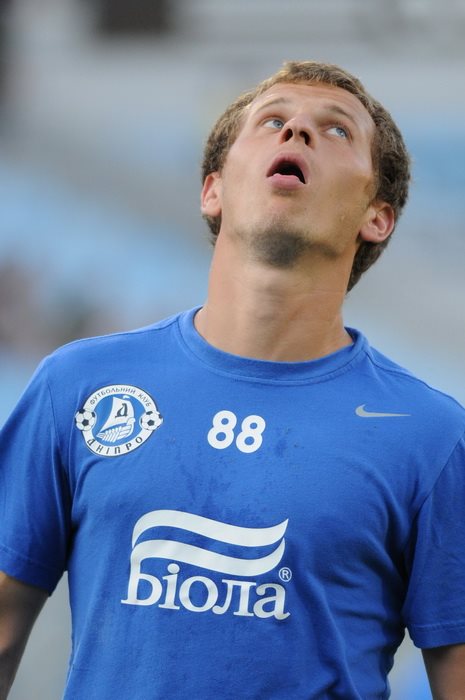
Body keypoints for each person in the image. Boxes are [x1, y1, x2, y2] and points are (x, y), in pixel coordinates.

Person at [1, 60, 464, 700]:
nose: (297, 130)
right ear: (212, 190)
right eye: (272, 121)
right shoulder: (78, 385)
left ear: (377, 217)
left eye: (337, 130)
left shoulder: (430, 435)